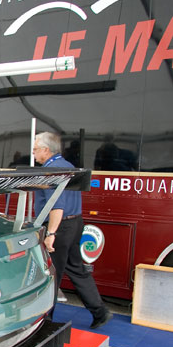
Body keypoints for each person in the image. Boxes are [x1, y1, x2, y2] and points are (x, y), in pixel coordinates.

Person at [33, 132, 113, 329]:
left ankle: (45, 322)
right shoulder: (68, 166)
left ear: (46, 150)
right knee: (77, 270)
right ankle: (100, 311)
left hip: (60, 227)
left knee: (52, 275)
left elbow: (56, 206)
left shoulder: (51, 171)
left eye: (35, 150)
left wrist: (51, 233)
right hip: (76, 223)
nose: (33, 154)